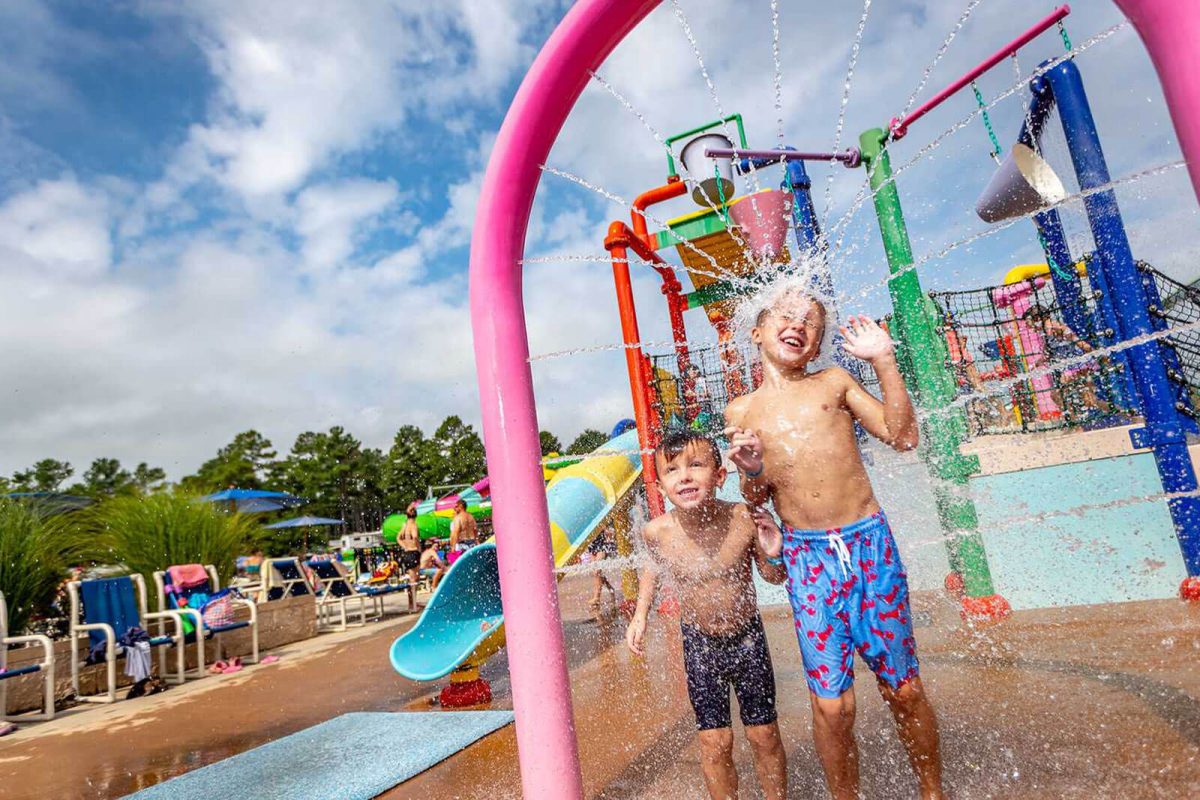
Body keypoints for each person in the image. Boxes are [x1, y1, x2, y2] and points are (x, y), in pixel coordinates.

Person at [724, 287, 944, 800]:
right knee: (831, 706)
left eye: (810, 322)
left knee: (904, 689)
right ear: (757, 332)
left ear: (818, 343)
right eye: (784, 315)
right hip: (809, 558)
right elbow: (754, 493)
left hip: (868, 546)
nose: (797, 324)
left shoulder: (835, 382)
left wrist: (885, 361)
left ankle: (933, 792)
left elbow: (903, 436)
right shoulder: (742, 410)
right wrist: (752, 469)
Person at [626, 429, 789, 800]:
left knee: (763, 735)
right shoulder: (658, 531)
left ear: (719, 475)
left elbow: (772, 577)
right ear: (662, 483)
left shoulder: (743, 518)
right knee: (715, 741)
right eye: (672, 470)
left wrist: (774, 552)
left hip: (747, 638)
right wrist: (640, 615)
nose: (683, 476)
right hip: (700, 643)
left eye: (696, 465)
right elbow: (652, 569)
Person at [585, 525, 617, 613]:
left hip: (603, 545)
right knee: (596, 573)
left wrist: (605, 529)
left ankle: (596, 598)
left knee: (597, 571)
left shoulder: (600, 517)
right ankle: (610, 588)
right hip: (592, 544)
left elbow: (611, 532)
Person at [397, 507, 422, 611]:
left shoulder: (405, 525)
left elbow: (398, 538)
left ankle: (412, 602)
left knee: (412, 579)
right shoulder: (413, 525)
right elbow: (415, 537)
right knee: (414, 579)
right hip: (413, 552)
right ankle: (413, 604)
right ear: (416, 515)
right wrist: (418, 548)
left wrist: (404, 546)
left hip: (407, 552)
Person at [447, 499, 478, 565]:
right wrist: (477, 541)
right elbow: (475, 529)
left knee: (463, 565)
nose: (454, 508)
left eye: (456, 506)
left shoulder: (458, 517)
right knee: (472, 564)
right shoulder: (471, 516)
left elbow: (456, 532)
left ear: (461, 506)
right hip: (472, 543)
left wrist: (453, 547)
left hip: (462, 545)